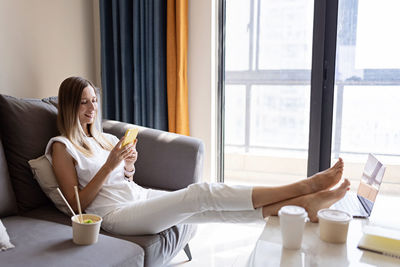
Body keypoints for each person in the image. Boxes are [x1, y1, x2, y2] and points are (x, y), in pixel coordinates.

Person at [46, 76, 350, 236]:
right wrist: (110, 164)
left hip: (137, 196)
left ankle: (303, 204)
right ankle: (302, 187)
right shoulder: (62, 146)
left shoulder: (104, 137)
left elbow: (122, 181)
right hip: (114, 215)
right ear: (69, 105)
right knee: (200, 194)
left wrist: (127, 166)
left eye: (94, 100)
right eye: (84, 102)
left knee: (207, 210)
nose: (91, 108)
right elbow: (77, 205)